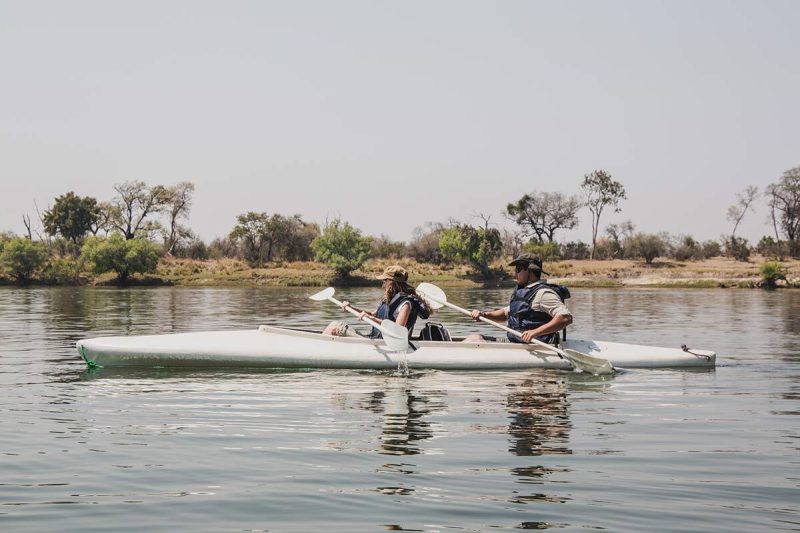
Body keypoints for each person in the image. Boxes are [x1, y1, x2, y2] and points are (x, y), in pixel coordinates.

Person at [467, 254, 572, 344]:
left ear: (530, 271)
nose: (515, 274)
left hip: (538, 347)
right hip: (517, 343)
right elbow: (505, 313)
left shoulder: (543, 293)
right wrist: (484, 314)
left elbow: (565, 318)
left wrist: (535, 332)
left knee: (474, 340)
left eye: (518, 270)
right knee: (475, 338)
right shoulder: (523, 292)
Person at [322, 265, 431, 339]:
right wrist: (351, 307)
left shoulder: (406, 303)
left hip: (386, 345)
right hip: (375, 340)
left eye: (385, 281)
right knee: (334, 324)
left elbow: (398, 329)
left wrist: (372, 319)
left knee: (334, 328)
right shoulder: (392, 299)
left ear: (392, 283)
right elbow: (372, 314)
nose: (383, 284)